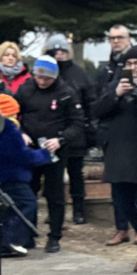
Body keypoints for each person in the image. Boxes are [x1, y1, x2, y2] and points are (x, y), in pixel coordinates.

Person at [92, 46, 137, 272]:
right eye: (129, 64)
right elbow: (97, 110)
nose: (133, 68)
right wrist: (116, 95)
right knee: (122, 202)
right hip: (119, 154)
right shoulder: (115, 85)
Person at [16, 56, 85, 253]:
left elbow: (77, 123)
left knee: (54, 193)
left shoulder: (66, 93)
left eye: (46, 78)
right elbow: (14, 113)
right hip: (30, 149)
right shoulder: (26, 89)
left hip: (55, 150)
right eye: (39, 77)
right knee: (29, 191)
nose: (42, 81)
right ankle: (26, 233)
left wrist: (61, 140)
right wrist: (21, 133)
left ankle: (54, 236)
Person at [45, 34, 94, 225]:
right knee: (53, 177)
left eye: (63, 50)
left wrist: (89, 129)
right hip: (51, 133)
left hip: (75, 133)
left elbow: (90, 101)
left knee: (76, 174)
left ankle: (78, 210)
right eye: (55, 50)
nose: (59, 54)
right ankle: (54, 211)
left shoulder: (79, 74)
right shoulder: (46, 74)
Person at [97, 24, 137, 246]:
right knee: (117, 185)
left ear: (128, 39)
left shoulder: (136, 63)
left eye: (120, 37)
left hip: (134, 131)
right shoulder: (106, 69)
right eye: (112, 38)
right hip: (112, 131)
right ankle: (121, 227)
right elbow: (99, 100)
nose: (116, 41)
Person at [0, 94, 52, 257]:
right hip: (12, 175)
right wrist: (44, 155)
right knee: (27, 204)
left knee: (8, 209)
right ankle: (10, 241)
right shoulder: (8, 129)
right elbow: (21, 156)